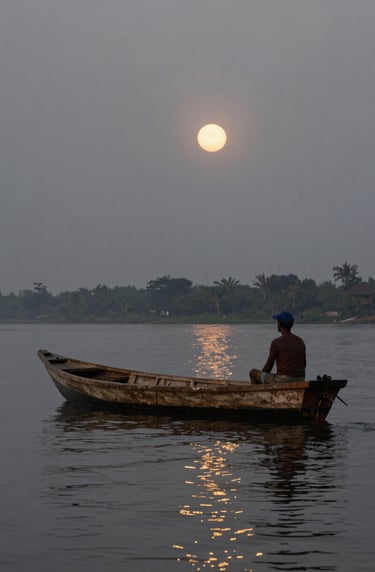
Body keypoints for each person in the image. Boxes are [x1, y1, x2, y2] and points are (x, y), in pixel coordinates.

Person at [249, 311, 306, 384]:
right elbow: (304, 364)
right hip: (300, 379)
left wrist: (260, 377)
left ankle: (257, 394)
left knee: (253, 373)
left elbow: (268, 367)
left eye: (277, 322)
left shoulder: (276, 342)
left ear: (279, 324)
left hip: (283, 380)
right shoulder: (300, 341)